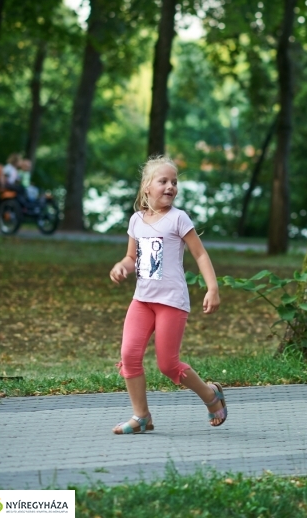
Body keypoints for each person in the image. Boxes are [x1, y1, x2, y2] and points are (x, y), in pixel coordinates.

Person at [109, 155, 225, 434]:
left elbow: (200, 254)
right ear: (147, 187)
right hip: (142, 300)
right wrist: (122, 266)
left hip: (171, 302)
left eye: (174, 182)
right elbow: (131, 257)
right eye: (163, 181)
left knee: (168, 365)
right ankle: (141, 417)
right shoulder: (136, 220)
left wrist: (212, 288)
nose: (170, 186)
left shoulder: (178, 218)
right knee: (129, 355)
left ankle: (211, 395)